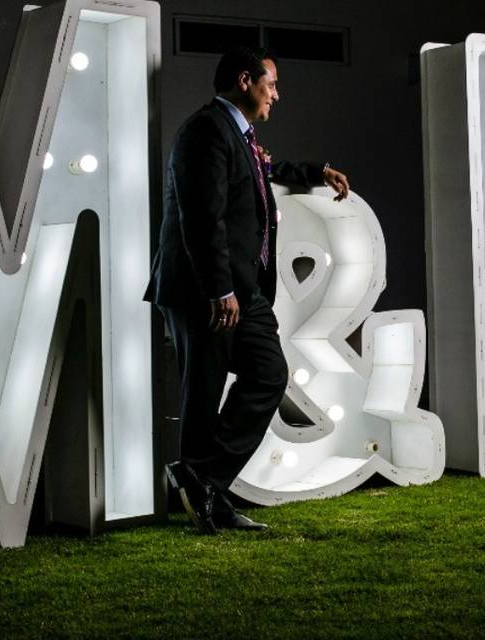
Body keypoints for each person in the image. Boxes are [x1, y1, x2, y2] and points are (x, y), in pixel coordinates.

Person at [144, 47, 350, 533]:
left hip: (240, 288)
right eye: (271, 84)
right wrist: (218, 290)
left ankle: (203, 482)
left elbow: (259, 175)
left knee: (268, 373)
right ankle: (207, 493)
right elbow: (201, 218)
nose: (276, 95)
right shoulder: (205, 131)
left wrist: (314, 172)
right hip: (205, 289)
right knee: (204, 392)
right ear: (245, 80)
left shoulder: (237, 136)